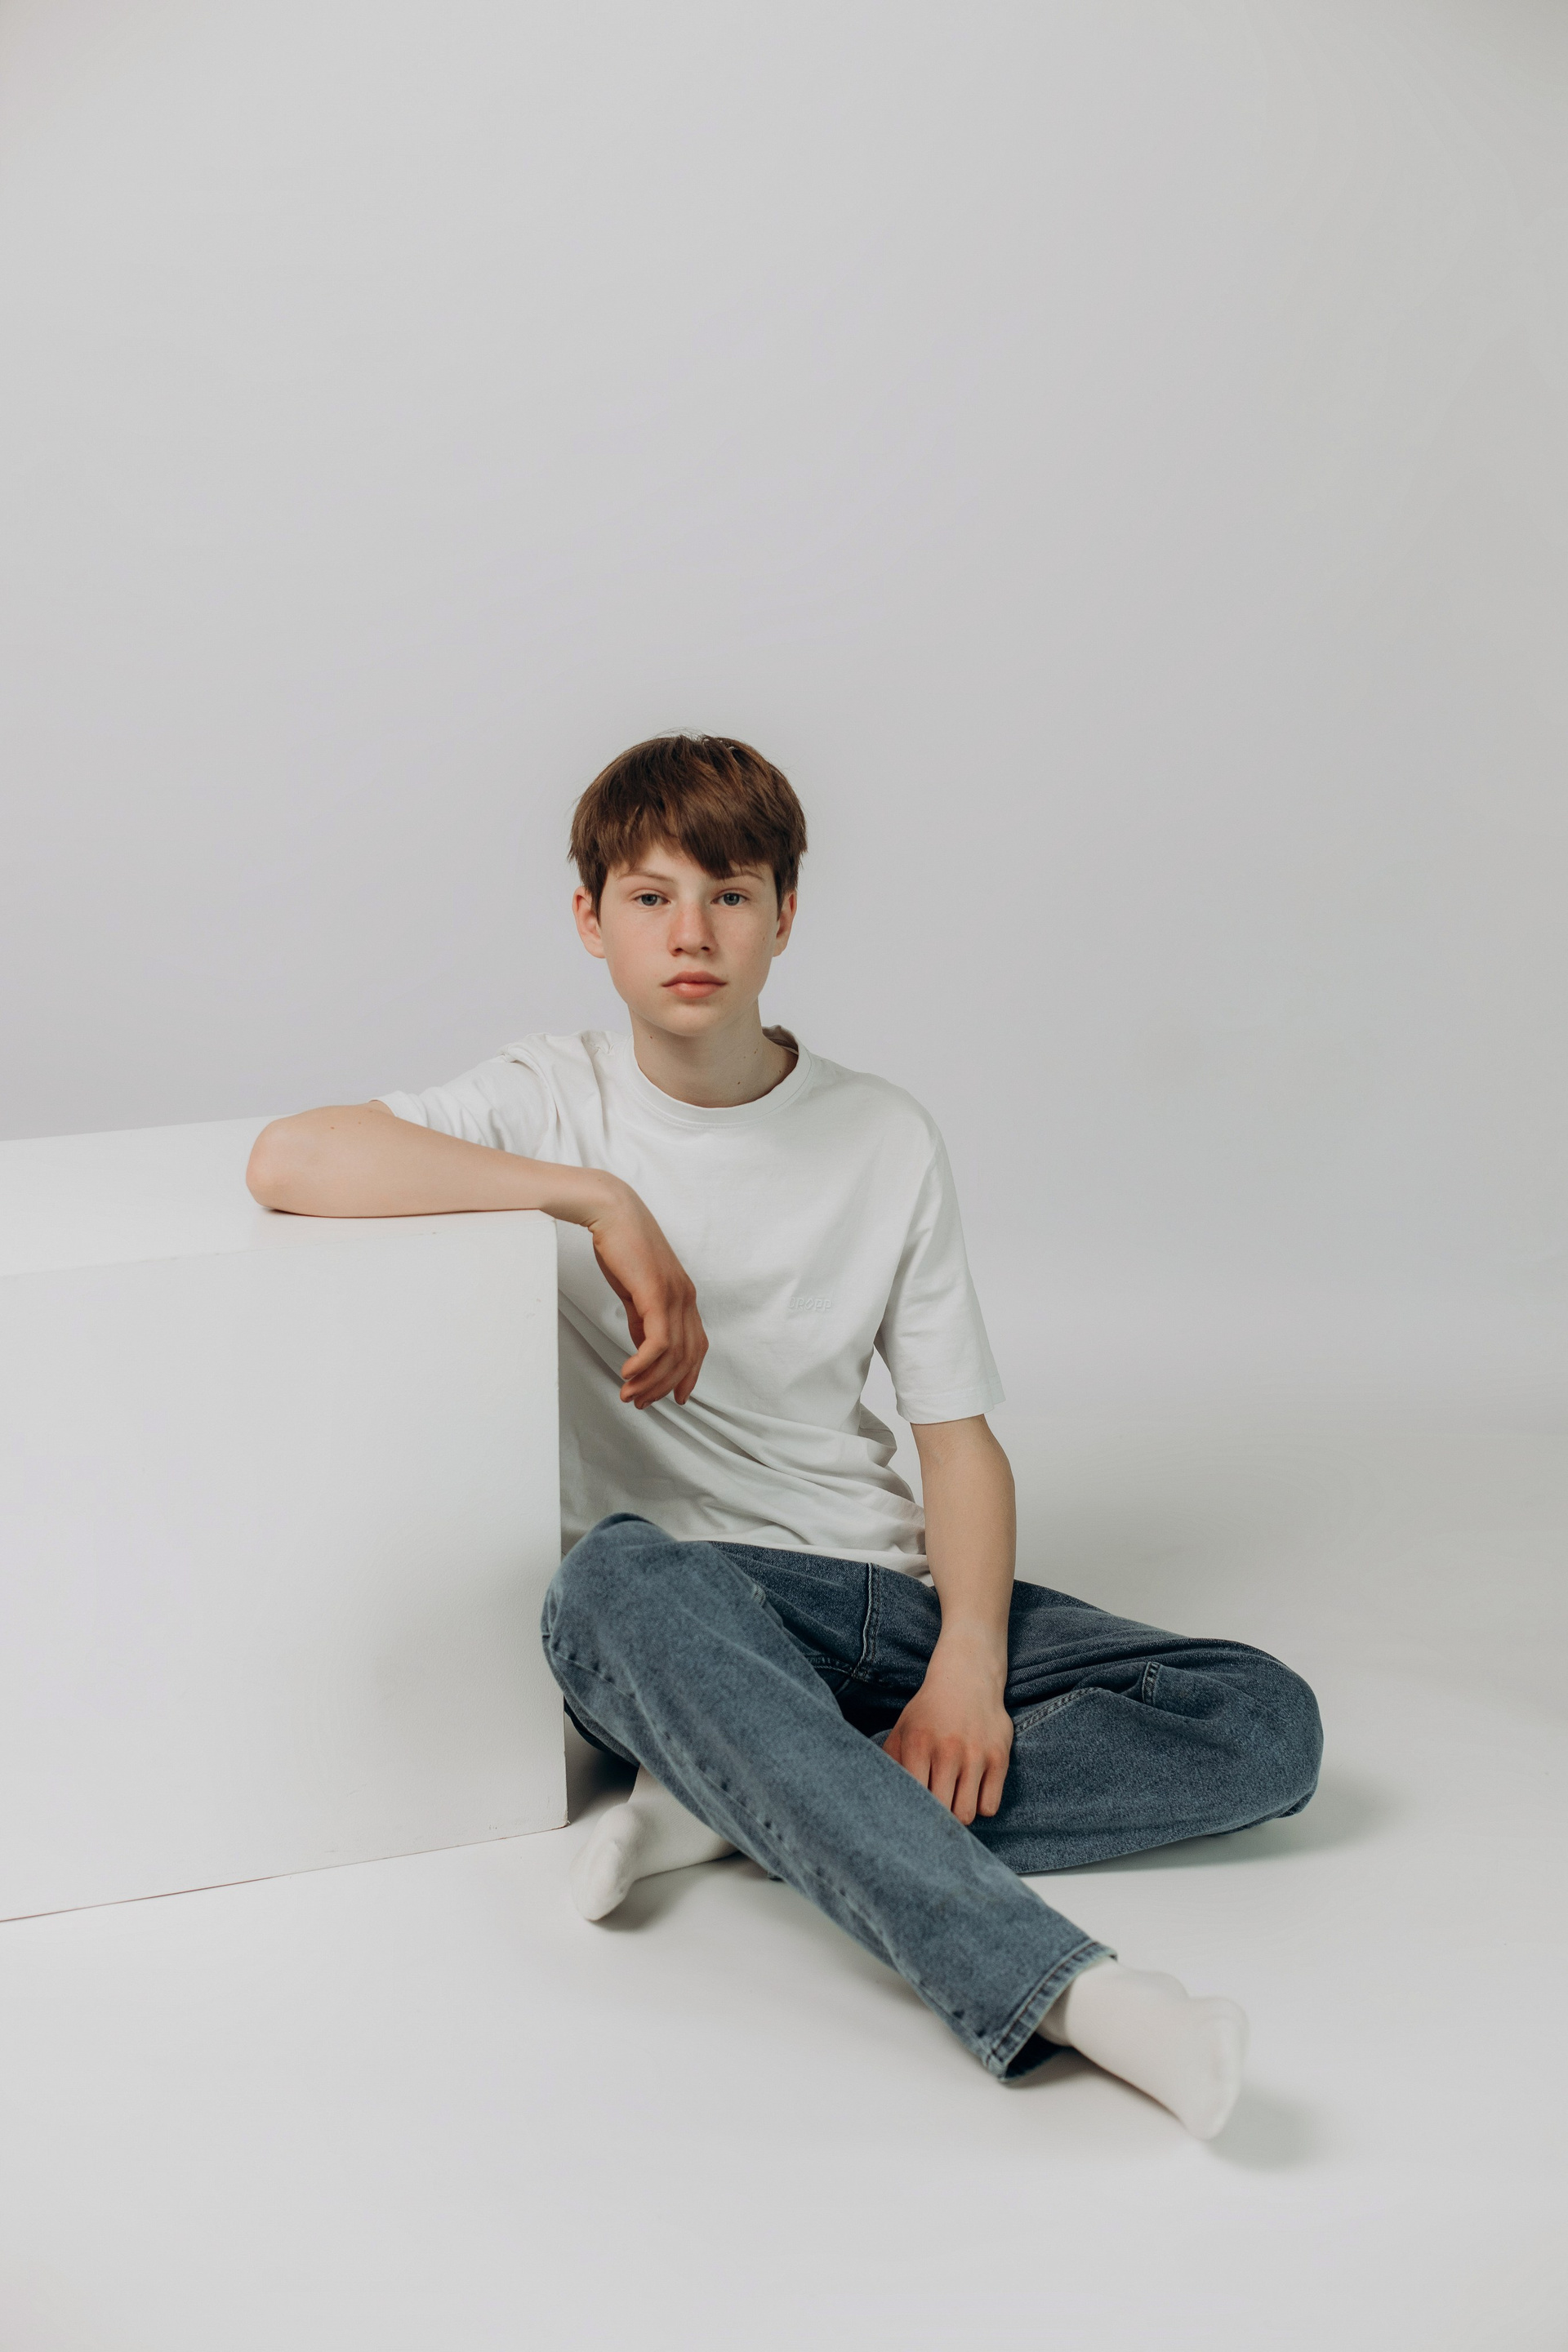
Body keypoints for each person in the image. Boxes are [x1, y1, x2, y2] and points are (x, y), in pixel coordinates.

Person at [247, 733, 1321, 2138]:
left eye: (730, 895)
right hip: (673, 1619)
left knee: (1262, 1721)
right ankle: (1078, 1996)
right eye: (650, 898)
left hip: (869, 1601)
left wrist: (968, 1663)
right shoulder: (548, 1099)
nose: (691, 934)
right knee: (609, 1576)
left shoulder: (883, 1134)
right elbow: (290, 1159)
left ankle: (735, 1798)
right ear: (591, 921)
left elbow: (956, 1442)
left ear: (785, 916)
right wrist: (599, 1201)